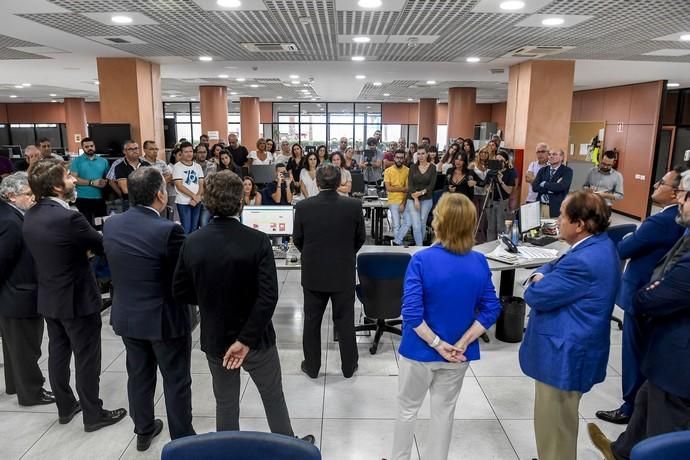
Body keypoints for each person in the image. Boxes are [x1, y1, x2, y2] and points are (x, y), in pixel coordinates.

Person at [173, 171, 315, 444]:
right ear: (242, 201)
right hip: (257, 339)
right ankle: (288, 448)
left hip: (217, 339)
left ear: (206, 202)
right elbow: (268, 296)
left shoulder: (191, 242)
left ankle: (227, 451)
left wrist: (209, 298)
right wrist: (246, 340)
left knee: (225, 403)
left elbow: (180, 291)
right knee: (273, 396)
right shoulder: (258, 241)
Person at [588, 170, 690, 460]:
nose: (680, 200)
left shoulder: (662, 222)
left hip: (678, 360)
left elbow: (657, 293)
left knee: (664, 427)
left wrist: (646, 293)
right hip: (665, 345)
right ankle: (620, 451)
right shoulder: (682, 227)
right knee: (647, 397)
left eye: (684, 194)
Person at [391, 193, 501, 460]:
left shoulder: (421, 260)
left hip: (420, 351)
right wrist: (462, 342)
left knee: (407, 409)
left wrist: (438, 345)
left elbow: (412, 316)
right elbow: (491, 308)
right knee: (444, 413)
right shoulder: (478, 261)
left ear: (438, 221)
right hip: (458, 355)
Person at [22, 159, 127, 431]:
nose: (72, 180)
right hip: (77, 299)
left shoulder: (31, 214)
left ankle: (65, 406)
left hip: (49, 297)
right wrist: (88, 251)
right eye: (68, 176)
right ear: (57, 186)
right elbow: (101, 245)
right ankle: (94, 414)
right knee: (87, 357)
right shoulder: (70, 217)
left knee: (58, 354)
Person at [519, 191, 619, 460]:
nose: (557, 220)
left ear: (579, 224)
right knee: (558, 424)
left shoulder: (584, 261)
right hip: (572, 349)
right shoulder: (595, 245)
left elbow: (535, 295)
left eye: (562, 215)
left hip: (563, 355)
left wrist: (536, 280)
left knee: (555, 428)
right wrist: (545, 273)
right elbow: (556, 263)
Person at [103, 168, 195, 450]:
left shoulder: (112, 224)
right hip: (165, 319)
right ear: (160, 194)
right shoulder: (169, 230)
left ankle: (143, 430)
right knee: (176, 379)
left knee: (139, 374)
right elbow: (183, 277)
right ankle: (182, 439)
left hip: (128, 315)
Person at [294, 164, 366, 379]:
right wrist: (345, 254)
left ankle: (313, 367)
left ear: (316, 182)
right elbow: (360, 238)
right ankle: (348, 366)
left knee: (311, 321)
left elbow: (298, 239)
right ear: (338, 183)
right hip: (342, 273)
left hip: (313, 273)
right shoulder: (353, 206)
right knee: (344, 321)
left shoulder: (304, 207)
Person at [0, 172, 54, 407]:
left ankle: (15, 385)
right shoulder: (11, 222)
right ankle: (31, 392)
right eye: (28, 194)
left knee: (14, 346)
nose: (33, 198)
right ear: (11, 196)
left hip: (12, 293)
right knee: (26, 348)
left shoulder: (10, 214)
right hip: (18, 293)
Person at [395, 145, 437, 246]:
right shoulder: (413, 167)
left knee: (422, 222)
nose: (421, 156)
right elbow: (410, 184)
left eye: (423, 153)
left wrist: (421, 193)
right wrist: (416, 199)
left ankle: (416, 244)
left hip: (427, 199)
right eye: (418, 154)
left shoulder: (432, 168)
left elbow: (431, 185)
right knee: (417, 225)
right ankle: (420, 248)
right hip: (412, 199)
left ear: (427, 154)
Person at [69, 137, 109, 227]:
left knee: (102, 224)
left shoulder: (103, 161)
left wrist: (104, 182)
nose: (90, 148)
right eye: (86, 146)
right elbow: (73, 179)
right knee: (87, 226)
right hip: (82, 198)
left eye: (91, 146)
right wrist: (91, 182)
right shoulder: (77, 161)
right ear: (83, 148)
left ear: (94, 146)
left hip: (99, 198)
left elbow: (107, 178)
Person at [173, 141, 205, 234]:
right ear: (181, 153)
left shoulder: (197, 166)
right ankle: (184, 248)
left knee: (195, 228)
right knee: (186, 228)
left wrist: (197, 197)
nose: (189, 154)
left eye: (190, 151)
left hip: (197, 201)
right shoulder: (177, 167)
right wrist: (194, 196)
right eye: (186, 152)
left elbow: (201, 183)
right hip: (183, 202)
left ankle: (193, 247)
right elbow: (179, 186)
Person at [532, 148, 574, 218]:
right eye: (549, 154)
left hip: (555, 207)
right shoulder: (543, 170)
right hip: (540, 206)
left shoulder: (567, 171)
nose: (551, 156)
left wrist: (544, 184)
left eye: (554, 154)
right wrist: (552, 189)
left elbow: (561, 187)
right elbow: (535, 187)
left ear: (561, 157)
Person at [485, 150, 515, 241]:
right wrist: (488, 189)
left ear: (506, 161)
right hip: (491, 201)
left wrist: (500, 180)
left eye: (501, 161)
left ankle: (501, 245)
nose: (499, 163)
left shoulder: (510, 172)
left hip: (503, 202)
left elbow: (509, 191)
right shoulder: (491, 172)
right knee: (490, 227)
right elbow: (486, 186)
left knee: (501, 227)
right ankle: (489, 245)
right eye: (496, 161)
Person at [114, 140, 150, 207]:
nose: (134, 151)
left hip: (147, 201)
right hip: (130, 202)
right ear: (124, 151)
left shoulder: (147, 165)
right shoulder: (120, 167)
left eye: (136, 148)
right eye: (130, 149)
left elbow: (151, 184)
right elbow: (125, 189)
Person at [386, 150, 410, 247]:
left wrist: (403, 203)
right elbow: (388, 188)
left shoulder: (408, 171)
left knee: (408, 222)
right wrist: (402, 189)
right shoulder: (388, 171)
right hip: (393, 200)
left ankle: (396, 242)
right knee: (396, 225)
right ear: (394, 158)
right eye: (397, 157)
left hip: (404, 200)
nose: (399, 159)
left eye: (401, 158)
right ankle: (398, 247)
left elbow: (408, 189)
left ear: (404, 159)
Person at [195, 144, 216, 226]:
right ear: (195, 153)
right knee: (194, 226)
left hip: (206, 200)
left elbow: (207, 182)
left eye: (204, 152)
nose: (202, 154)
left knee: (204, 224)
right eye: (200, 152)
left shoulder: (211, 165)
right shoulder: (191, 165)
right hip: (193, 199)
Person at [472, 148, 490, 243]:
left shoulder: (489, 165)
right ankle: (474, 238)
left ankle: (482, 238)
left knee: (483, 217)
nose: (484, 154)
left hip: (484, 193)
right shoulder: (473, 165)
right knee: (476, 215)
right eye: (482, 152)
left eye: (486, 152)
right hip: (474, 192)